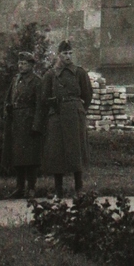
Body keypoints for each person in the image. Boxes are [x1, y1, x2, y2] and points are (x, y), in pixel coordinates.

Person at [37, 39, 92, 197]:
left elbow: (87, 95)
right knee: (57, 152)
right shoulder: (51, 74)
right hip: (57, 116)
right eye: (64, 53)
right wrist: (52, 106)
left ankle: (79, 188)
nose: (68, 56)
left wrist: (80, 110)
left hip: (75, 115)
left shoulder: (80, 72)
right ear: (58, 55)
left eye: (70, 53)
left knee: (76, 150)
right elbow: (44, 97)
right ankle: (58, 189)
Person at [2, 49, 43, 198]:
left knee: (31, 157)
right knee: (18, 156)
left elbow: (40, 105)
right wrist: (7, 113)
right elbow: (8, 99)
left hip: (29, 122)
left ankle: (31, 187)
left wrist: (37, 124)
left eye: (24, 63)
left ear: (31, 65)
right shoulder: (15, 80)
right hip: (17, 122)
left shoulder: (37, 81)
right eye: (19, 63)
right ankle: (19, 187)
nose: (21, 66)